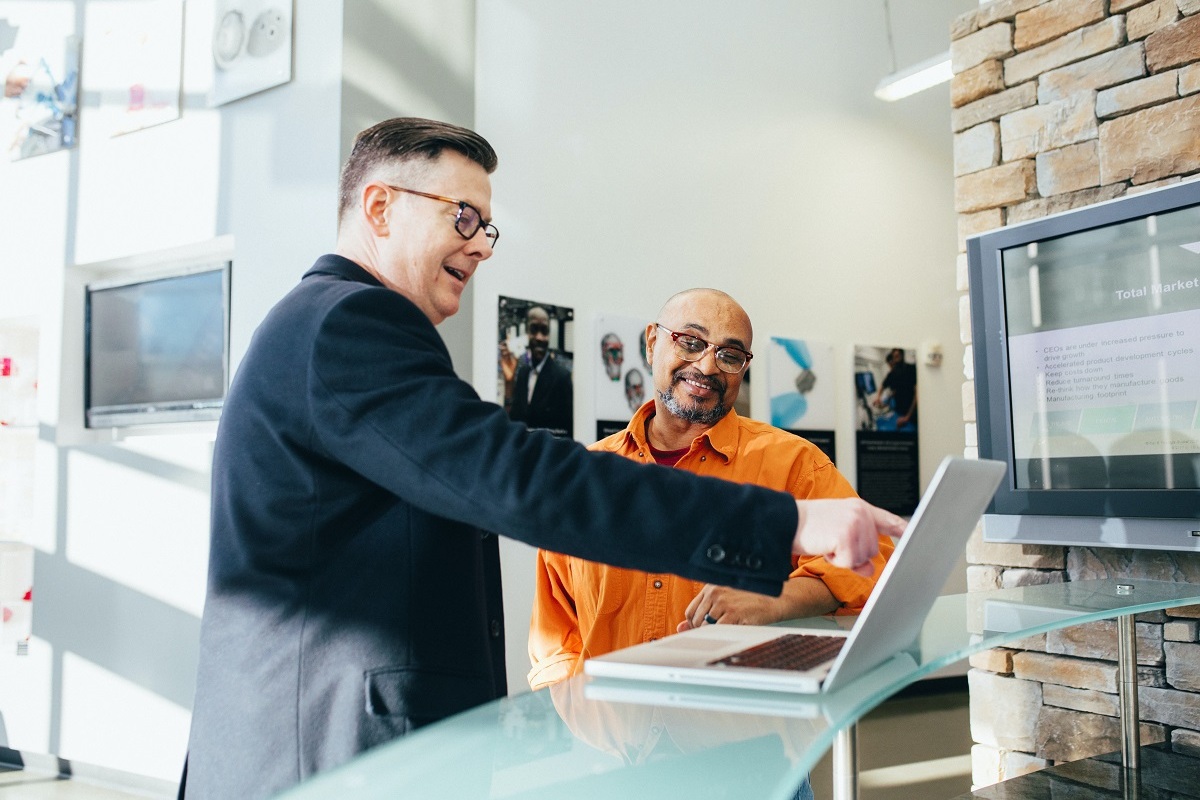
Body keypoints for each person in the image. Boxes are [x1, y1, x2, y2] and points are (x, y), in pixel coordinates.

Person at [180, 117, 904, 799]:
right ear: (378, 208)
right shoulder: (349, 322)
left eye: (486, 226)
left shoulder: (329, 325)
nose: (483, 245)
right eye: (462, 216)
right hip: (326, 752)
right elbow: (518, 478)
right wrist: (786, 526)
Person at [528, 289, 896, 692]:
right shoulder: (587, 477)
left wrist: (776, 599)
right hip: (611, 740)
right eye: (691, 341)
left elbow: (873, 563)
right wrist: (578, 725)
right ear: (652, 342)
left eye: (730, 355)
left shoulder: (794, 464)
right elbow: (555, 636)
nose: (707, 365)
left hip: (742, 734)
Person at [500, 304, 573, 436]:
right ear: (527, 333)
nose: (539, 337)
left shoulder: (562, 377)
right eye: (534, 330)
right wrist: (509, 383)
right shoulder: (522, 372)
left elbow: (566, 433)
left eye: (544, 331)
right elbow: (513, 422)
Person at [874, 347, 917, 430]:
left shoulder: (910, 369)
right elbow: (884, 386)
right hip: (898, 412)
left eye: (897, 356)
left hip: (911, 415)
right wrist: (878, 397)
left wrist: (908, 417)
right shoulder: (892, 374)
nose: (891, 367)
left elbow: (916, 395)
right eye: (889, 365)